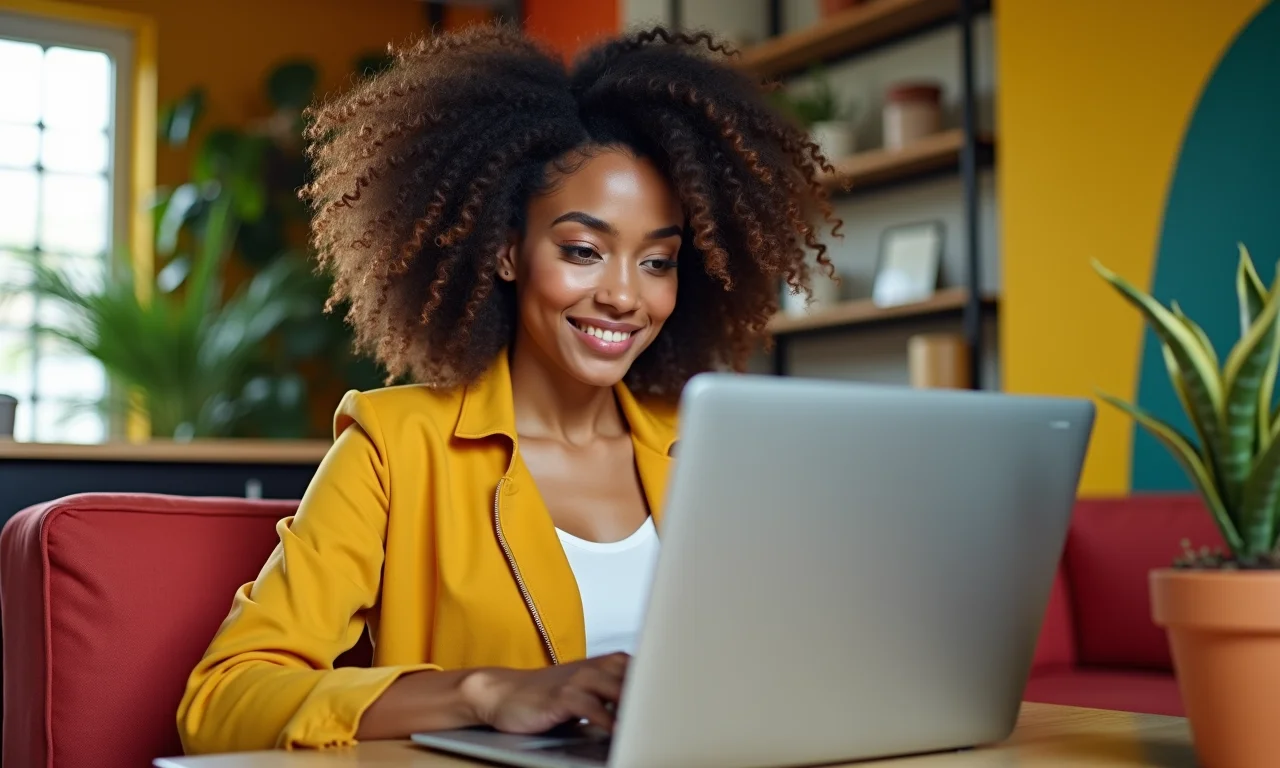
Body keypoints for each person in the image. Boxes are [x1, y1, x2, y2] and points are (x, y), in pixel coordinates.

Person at [176, 22, 840, 754]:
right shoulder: (396, 447)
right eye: (583, 251)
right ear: (504, 249)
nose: (625, 295)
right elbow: (224, 697)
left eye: (658, 262)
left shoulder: (712, 452)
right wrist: (484, 692)